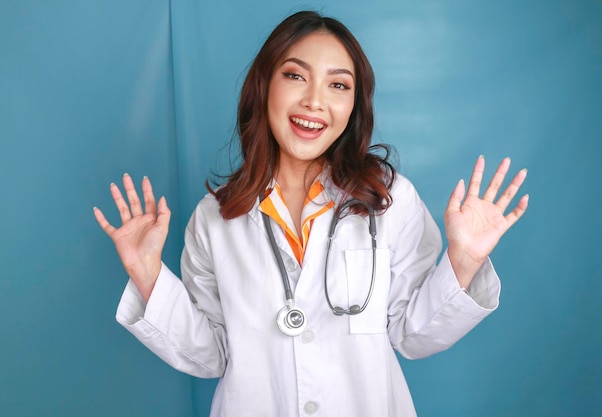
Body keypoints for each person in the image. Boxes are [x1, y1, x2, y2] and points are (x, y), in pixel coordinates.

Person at [93, 10, 528, 417]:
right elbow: (212, 356)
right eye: (296, 76)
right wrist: (147, 274)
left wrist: (463, 263)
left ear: (354, 105)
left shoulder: (388, 201)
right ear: (264, 86)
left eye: (338, 85)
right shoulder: (215, 217)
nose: (315, 101)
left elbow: (411, 336)